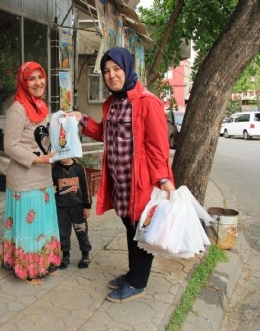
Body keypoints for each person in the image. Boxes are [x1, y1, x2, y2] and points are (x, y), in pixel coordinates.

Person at [74, 47, 176, 302]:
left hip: (140, 182)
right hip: (119, 181)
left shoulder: (147, 102)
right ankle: (133, 273)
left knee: (141, 230)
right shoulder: (114, 102)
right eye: (106, 71)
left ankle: (138, 282)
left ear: (128, 69)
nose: (111, 75)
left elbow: (158, 146)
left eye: (117, 69)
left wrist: (163, 179)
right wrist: (82, 120)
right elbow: (105, 134)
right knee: (130, 227)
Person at [2, 61, 61, 285]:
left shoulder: (41, 105)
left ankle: (45, 262)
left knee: (43, 225)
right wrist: (37, 159)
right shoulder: (17, 109)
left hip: (43, 176)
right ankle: (28, 270)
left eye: (40, 77)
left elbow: (46, 137)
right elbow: (10, 145)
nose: (38, 83)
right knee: (30, 228)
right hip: (24, 179)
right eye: (31, 79)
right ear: (23, 82)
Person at [52, 157, 92, 269]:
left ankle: (85, 255)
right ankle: (65, 256)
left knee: (82, 231)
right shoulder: (54, 168)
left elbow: (86, 187)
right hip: (61, 208)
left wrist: (87, 206)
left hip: (78, 207)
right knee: (63, 233)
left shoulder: (79, 167)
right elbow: (52, 186)